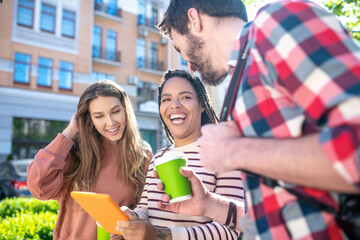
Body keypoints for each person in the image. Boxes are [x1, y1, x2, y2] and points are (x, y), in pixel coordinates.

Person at [156, 0, 360, 239]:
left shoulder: (277, 21)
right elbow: (278, 209)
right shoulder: (241, 82)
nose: (189, 67)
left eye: (181, 49)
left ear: (194, 19)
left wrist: (234, 151)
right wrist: (209, 205)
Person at [116, 69, 244, 239]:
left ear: (202, 104)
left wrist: (163, 236)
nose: (174, 105)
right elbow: (146, 208)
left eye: (185, 97)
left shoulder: (224, 154)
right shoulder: (159, 158)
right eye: (166, 99)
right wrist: (133, 218)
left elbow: (231, 230)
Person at [27, 80, 152, 240]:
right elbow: (39, 187)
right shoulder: (73, 153)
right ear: (89, 120)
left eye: (115, 111)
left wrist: (133, 219)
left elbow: (147, 209)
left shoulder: (142, 154)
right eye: (99, 116)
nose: (111, 122)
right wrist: (69, 132)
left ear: (125, 110)